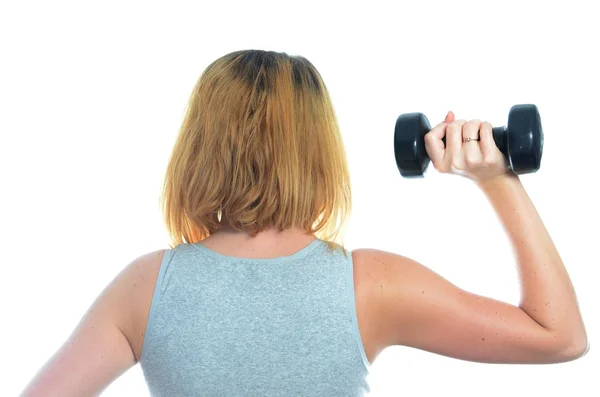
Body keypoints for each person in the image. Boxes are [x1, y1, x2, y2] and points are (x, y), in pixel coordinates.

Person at [20, 50, 588, 397]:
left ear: (197, 147)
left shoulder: (145, 289)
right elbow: (558, 337)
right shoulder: (369, 286)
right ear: (321, 150)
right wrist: (496, 178)